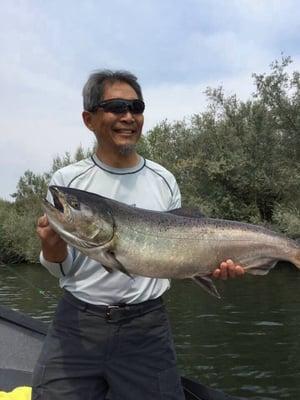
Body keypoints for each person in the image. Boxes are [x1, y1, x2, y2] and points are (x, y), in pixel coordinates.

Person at [32, 70, 244, 400]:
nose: (128, 116)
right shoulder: (67, 180)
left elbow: (183, 251)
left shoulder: (163, 179)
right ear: (89, 119)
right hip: (76, 322)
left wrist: (211, 265)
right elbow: (61, 268)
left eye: (136, 107)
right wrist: (50, 247)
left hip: (147, 327)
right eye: (116, 107)